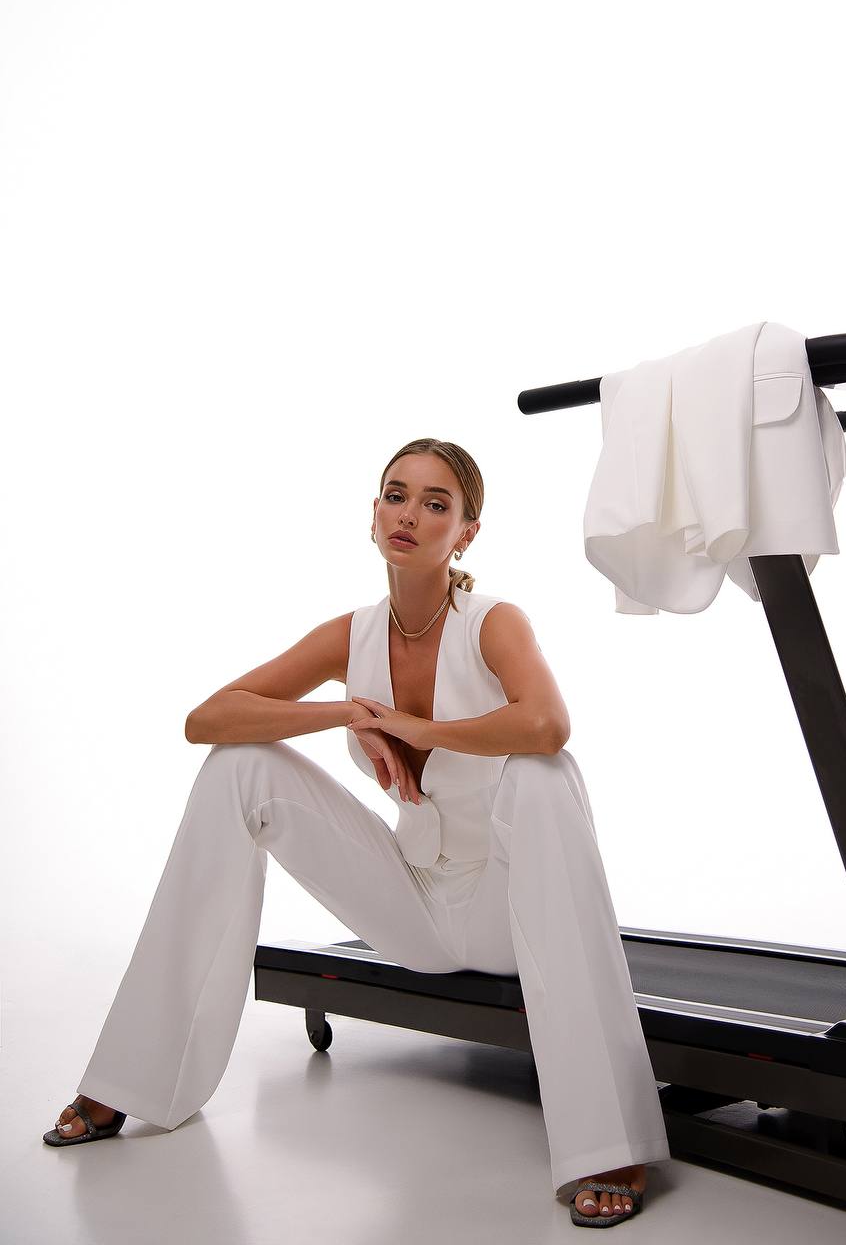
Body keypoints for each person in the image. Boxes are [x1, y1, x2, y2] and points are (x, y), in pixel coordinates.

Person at [43, 438, 671, 1226]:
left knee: (546, 776)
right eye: (395, 495)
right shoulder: (352, 635)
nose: (410, 514)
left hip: (508, 911)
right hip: (413, 908)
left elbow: (546, 724)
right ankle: (134, 1079)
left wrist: (418, 727)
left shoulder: (493, 623)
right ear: (372, 515)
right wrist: (346, 711)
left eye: (436, 504)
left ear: (467, 532)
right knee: (239, 768)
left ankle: (604, 1142)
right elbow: (207, 719)